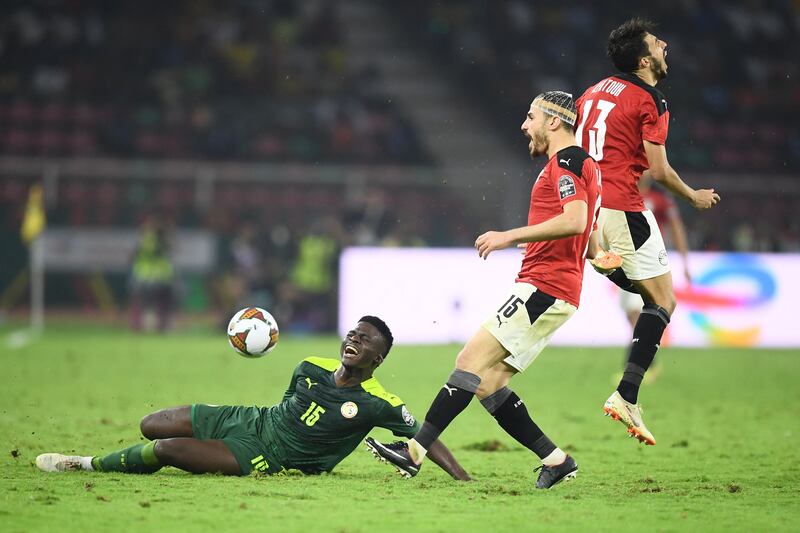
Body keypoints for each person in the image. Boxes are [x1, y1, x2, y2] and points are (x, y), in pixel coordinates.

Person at [366, 91, 601, 489]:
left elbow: (576, 220)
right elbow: (591, 239)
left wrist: (509, 235)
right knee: (489, 382)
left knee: (469, 359)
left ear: (554, 122)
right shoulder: (586, 165)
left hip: (544, 287)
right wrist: (579, 252)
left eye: (531, 117)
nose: (525, 125)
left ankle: (414, 453)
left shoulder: (565, 162)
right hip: (558, 288)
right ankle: (556, 460)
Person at [36, 316, 470, 480]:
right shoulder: (310, 366)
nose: (354, 339)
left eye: (366, 339)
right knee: (152, 424)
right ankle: (137, 455)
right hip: (250, 420)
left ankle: (84, 463)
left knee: (166, 450)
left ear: (379, 356)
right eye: (353, 333)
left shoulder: (378, 401)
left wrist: (461, 478)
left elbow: (425, 434)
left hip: (270, 456)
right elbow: (284, 407)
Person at [575, 18, 720, 445]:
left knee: (647, 297)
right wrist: (693, 195)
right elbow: (657, 170)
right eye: (658, 44)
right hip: (623, 206)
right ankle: (626, 395)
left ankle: (607, 265)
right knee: (663, 300)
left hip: (592, 205)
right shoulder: (650, 99)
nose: (665, 46)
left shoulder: (592, 92)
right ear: (644, 60)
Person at [619, 175, 691, 329]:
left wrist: (685, 261)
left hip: (648, 258)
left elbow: (676, 227)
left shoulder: (660, 197)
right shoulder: (623, 194)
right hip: (624, 256)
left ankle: (641, 347)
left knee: (638, 308)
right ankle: (643, 344)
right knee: (629, 310)